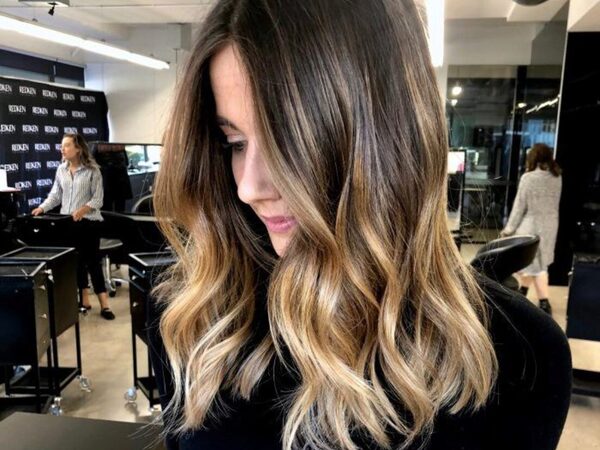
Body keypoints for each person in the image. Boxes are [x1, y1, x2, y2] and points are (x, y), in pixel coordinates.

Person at [150, 1, 571, 449]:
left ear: (389, 140)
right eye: (234, 141)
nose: (248, 187)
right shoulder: (198, 325)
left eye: (287, 140)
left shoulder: (522, 358)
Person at [32, 133, 115, 320]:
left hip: (89, 223)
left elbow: (98, 199)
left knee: (93, 262)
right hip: (68, 223)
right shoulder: (61, 169)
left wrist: (83, 210)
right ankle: (84, 300)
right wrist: (42, 208)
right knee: (76, 263)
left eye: (67, 145)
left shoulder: (93, 170)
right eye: (62, 145)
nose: (62, 149)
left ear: (78, 149)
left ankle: (105, 305)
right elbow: (55, 195)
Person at [501, 143, 562, 315]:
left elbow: (519, 207)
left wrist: (508, 230)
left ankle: (544, 303)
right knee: (536, 264)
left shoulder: (528, 178)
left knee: (534, 264)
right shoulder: (557, 177)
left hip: (530, 226)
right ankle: (523, 293)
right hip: (550, 226)